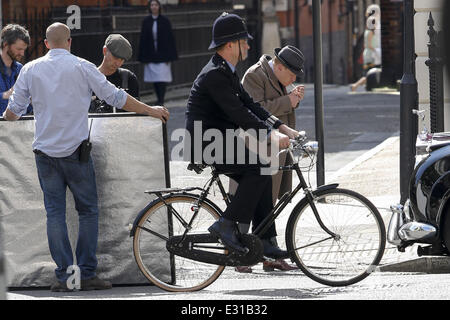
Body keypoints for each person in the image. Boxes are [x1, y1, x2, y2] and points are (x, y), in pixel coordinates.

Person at [2, 22, 169, 292]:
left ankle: (66, 277)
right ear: (69, 42)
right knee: (88, 211)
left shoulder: (31, 69)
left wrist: (5, 119)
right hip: (76, 153)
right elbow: (117, 98)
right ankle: (87, 273)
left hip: (44, 153)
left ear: (46, 44)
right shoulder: (82, 66)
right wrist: (150, 109)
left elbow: (14, 111)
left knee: (54, 214)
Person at [185, 12, 300, 260]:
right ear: (230, 45)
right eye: (243, 41)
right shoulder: (215, 74)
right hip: (206, 142)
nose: (248, 45)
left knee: (262, 172)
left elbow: (251, 105)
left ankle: (266, 240)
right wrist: (269, 136)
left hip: (220, 139)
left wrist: (282, 127)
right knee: (259, 168)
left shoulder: (227, 70)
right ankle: (225, 225)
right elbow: (238, 114)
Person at [231, 45, 306, 273]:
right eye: (291, 74)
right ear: (279, 66)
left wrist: (294, 99)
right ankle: (239, 253)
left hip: (275, 148)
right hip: (255, 148)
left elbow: (277, 108)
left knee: (268, 203)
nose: (293, 78)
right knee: (249, 201)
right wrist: (289, 101)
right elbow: (254, 111)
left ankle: (267, 253)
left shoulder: (278, 77)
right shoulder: (255, 75)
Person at [138, 0, 178, 105]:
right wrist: (143, 57)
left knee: (162, 79)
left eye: (156, 5)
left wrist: (170, 56)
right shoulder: (146, 21)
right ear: (149, 7)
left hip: (163, 55)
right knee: (154, 79)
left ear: (159, 7)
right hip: (151, 54)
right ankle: (158, 98)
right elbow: (143, 39)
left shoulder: (165, 21)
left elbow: (170, 39)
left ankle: (161, 100)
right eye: (152, 5)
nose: (154, 7)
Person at [90, 34, 140, 113]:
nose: (118, 63)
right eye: (115, 57)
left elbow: (136, 112)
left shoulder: (129, 78)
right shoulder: (89, 78)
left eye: (122, 59)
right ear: (105, 51)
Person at [0, 24, 32, 115]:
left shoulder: (20, 68)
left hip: (18, 126)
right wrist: (6, 95)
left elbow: (26, 104)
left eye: (24, 50)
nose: (22, 54)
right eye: (19, 49)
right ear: (5, 44)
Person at [351, 4, 381, 91]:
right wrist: (376, 51)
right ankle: (355, 85)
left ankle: (362, 86)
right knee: (369, 73)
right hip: (371, 55)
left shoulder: (368, 31)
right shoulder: (370, 33)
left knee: (370, 72)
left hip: (370, 54)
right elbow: (369, 45)